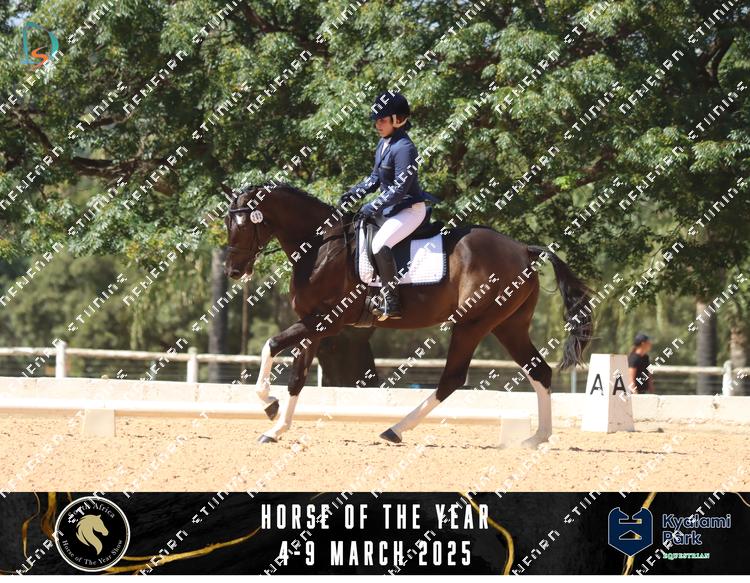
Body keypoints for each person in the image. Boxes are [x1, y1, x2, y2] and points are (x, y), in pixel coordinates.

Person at [339, 91, 439, 320]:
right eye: (376, 120)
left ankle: (392, 301)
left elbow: (400, 189)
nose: (377, 125)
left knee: (379, 245)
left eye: (382, 120)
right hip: (390, 209)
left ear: (398, 120)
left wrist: (372, 205)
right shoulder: (384, 144)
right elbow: (375, 178)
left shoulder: (405, 148)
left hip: (408, 210)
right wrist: (354, 193)